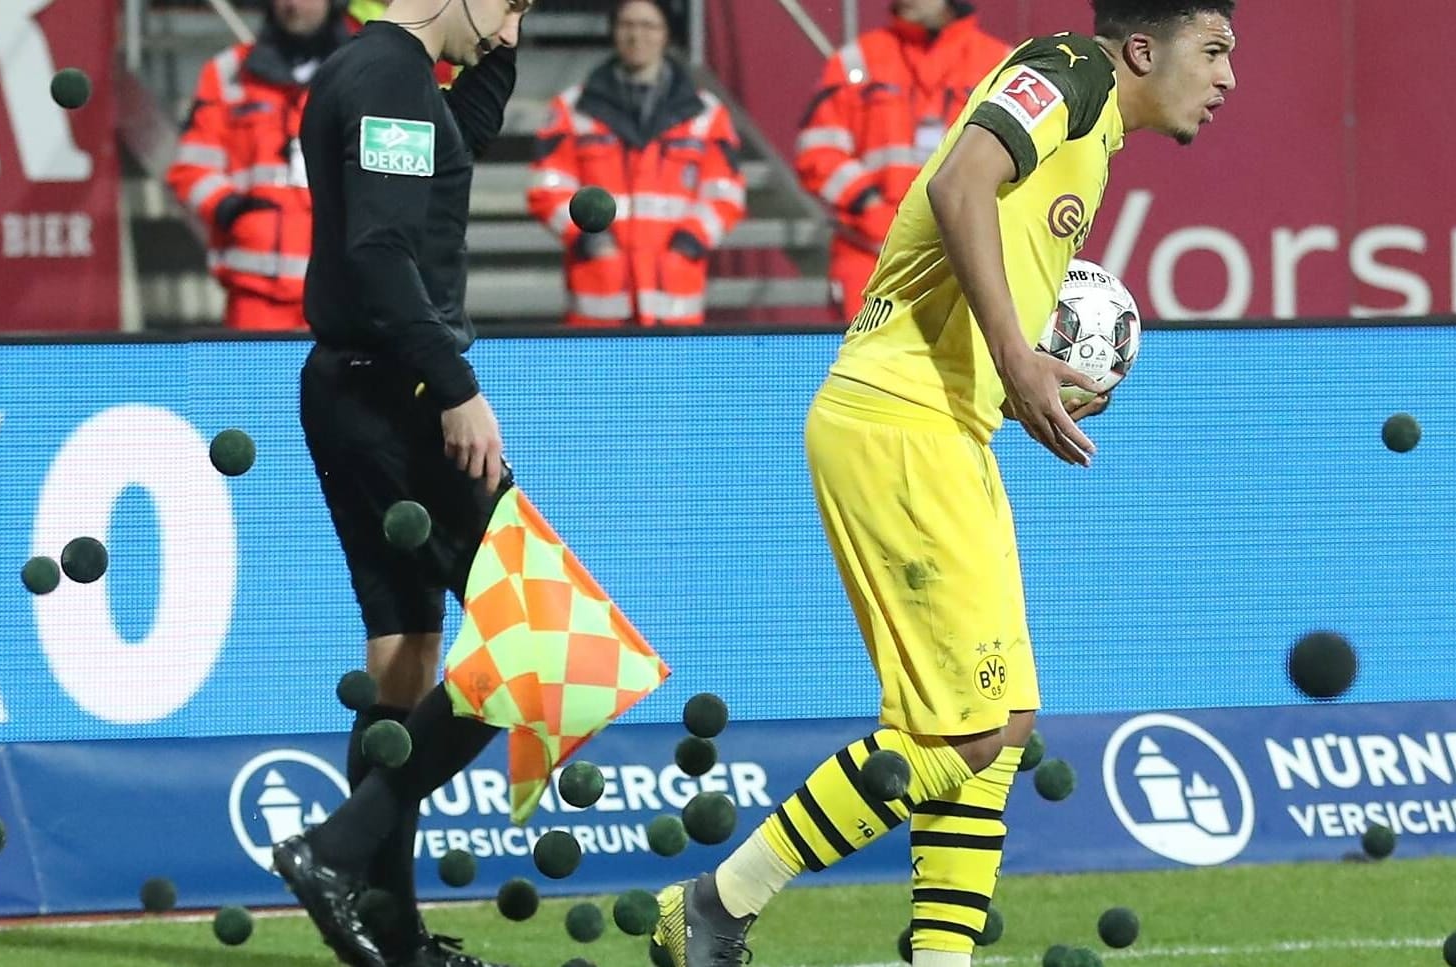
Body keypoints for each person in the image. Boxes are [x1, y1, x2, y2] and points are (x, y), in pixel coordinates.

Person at [651, 2, 1237, 966]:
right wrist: (1015, 354)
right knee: (961, 733)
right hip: (896, 423)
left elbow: (968, 246)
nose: (1225, 80)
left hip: (947, 429)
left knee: (1001, 728)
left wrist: (1015, 381)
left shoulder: (1092, 140)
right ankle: (718, 902)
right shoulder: (1066, 70)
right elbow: (965, 175)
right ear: (1141, 49)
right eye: (1212, 53)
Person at [275, 2, 531, 966]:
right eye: (510, 5)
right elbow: (380, 253)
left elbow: (443, 160)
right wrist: (454, 384)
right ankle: (334, 851)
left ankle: (390, 934)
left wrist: (502, 53)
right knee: (541, 642)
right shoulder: (389, 80)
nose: (512, 24)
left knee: (405, 659)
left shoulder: (373, 72)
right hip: (400, 394)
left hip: (349, 386)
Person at [526, 0, 746, 327]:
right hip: (599, 299)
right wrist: (588, 238)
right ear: (613, 32)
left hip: (674, 300)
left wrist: (690, 242)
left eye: (648, 26)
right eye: (626, 25)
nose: (636, 36)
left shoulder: (706, 114)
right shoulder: (573, 109)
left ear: (666, 34)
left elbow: (725, 193)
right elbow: (547, 187)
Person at [794, 0, 1009, 322]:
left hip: (965, 257)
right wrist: (871, 210)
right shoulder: (857, 60)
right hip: (869, 255)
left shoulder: (1000, 64)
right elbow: (818, 151)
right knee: (863, 368)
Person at [166, 0, 347, 331]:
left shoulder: (359, 74)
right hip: (255, 291)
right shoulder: (228, 71)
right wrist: (230, 209)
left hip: (342, 288)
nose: (292, 4)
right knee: (251, 383)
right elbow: (190, 168)